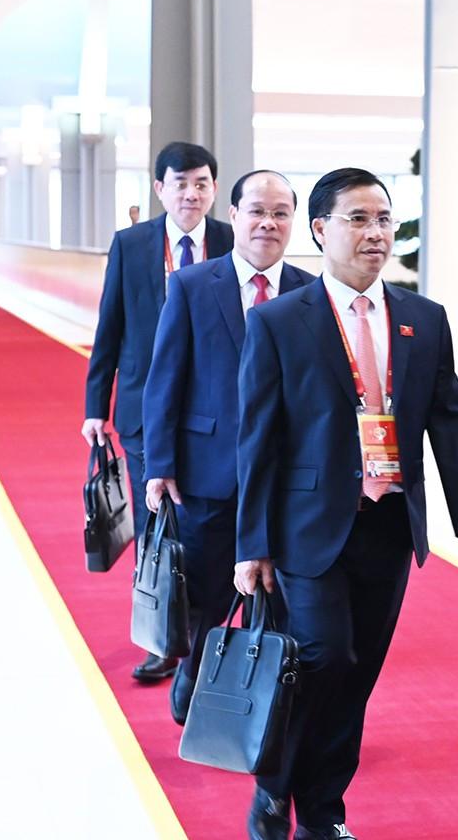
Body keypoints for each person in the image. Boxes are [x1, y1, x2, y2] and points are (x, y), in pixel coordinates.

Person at [234, 167, 458, 840]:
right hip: (308, 525)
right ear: (321, 230)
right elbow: (257, 440)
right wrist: (251, 544)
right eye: (358, 219)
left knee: (358, 677)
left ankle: (323, 815)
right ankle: (274, 786)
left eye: (383, 219)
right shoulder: (279, 321)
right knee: (324, 656)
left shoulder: (423, 319)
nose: (375, 233)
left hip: (390, 523)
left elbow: (448, 419)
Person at [141, 170, 316, 725]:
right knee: (207, 594)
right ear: (234, 216)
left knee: (280, 599)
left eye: (281, 213)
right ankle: (193, 675)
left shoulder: (310, 293)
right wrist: (160, 464)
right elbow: (164, 380)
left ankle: (267, 701)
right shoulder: (194, 285)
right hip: (207, 472)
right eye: (257, 211)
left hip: (287, 478)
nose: (268, 223)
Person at [82, 141, 232, 684]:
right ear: (159, 189)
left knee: (205, 526)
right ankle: (161, 639)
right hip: (145, 409)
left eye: (201, 184)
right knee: (156, 526)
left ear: (214, 190)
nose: (191, 194)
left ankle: (205, 628)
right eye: (181, 183)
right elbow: (110, 326)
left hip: (214, 411)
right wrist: (95, 406)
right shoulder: (132, 244)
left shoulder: (231, 241)